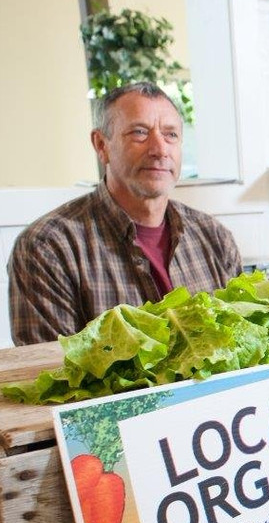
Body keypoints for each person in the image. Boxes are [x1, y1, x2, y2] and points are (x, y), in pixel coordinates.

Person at [7, 82, 242, 345]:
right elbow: (53, 376)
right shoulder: (47, 248)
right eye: (139, 133)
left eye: (171, 135)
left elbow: (243, 349)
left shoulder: (215, 239)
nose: (160, 149)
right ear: (101, 145)